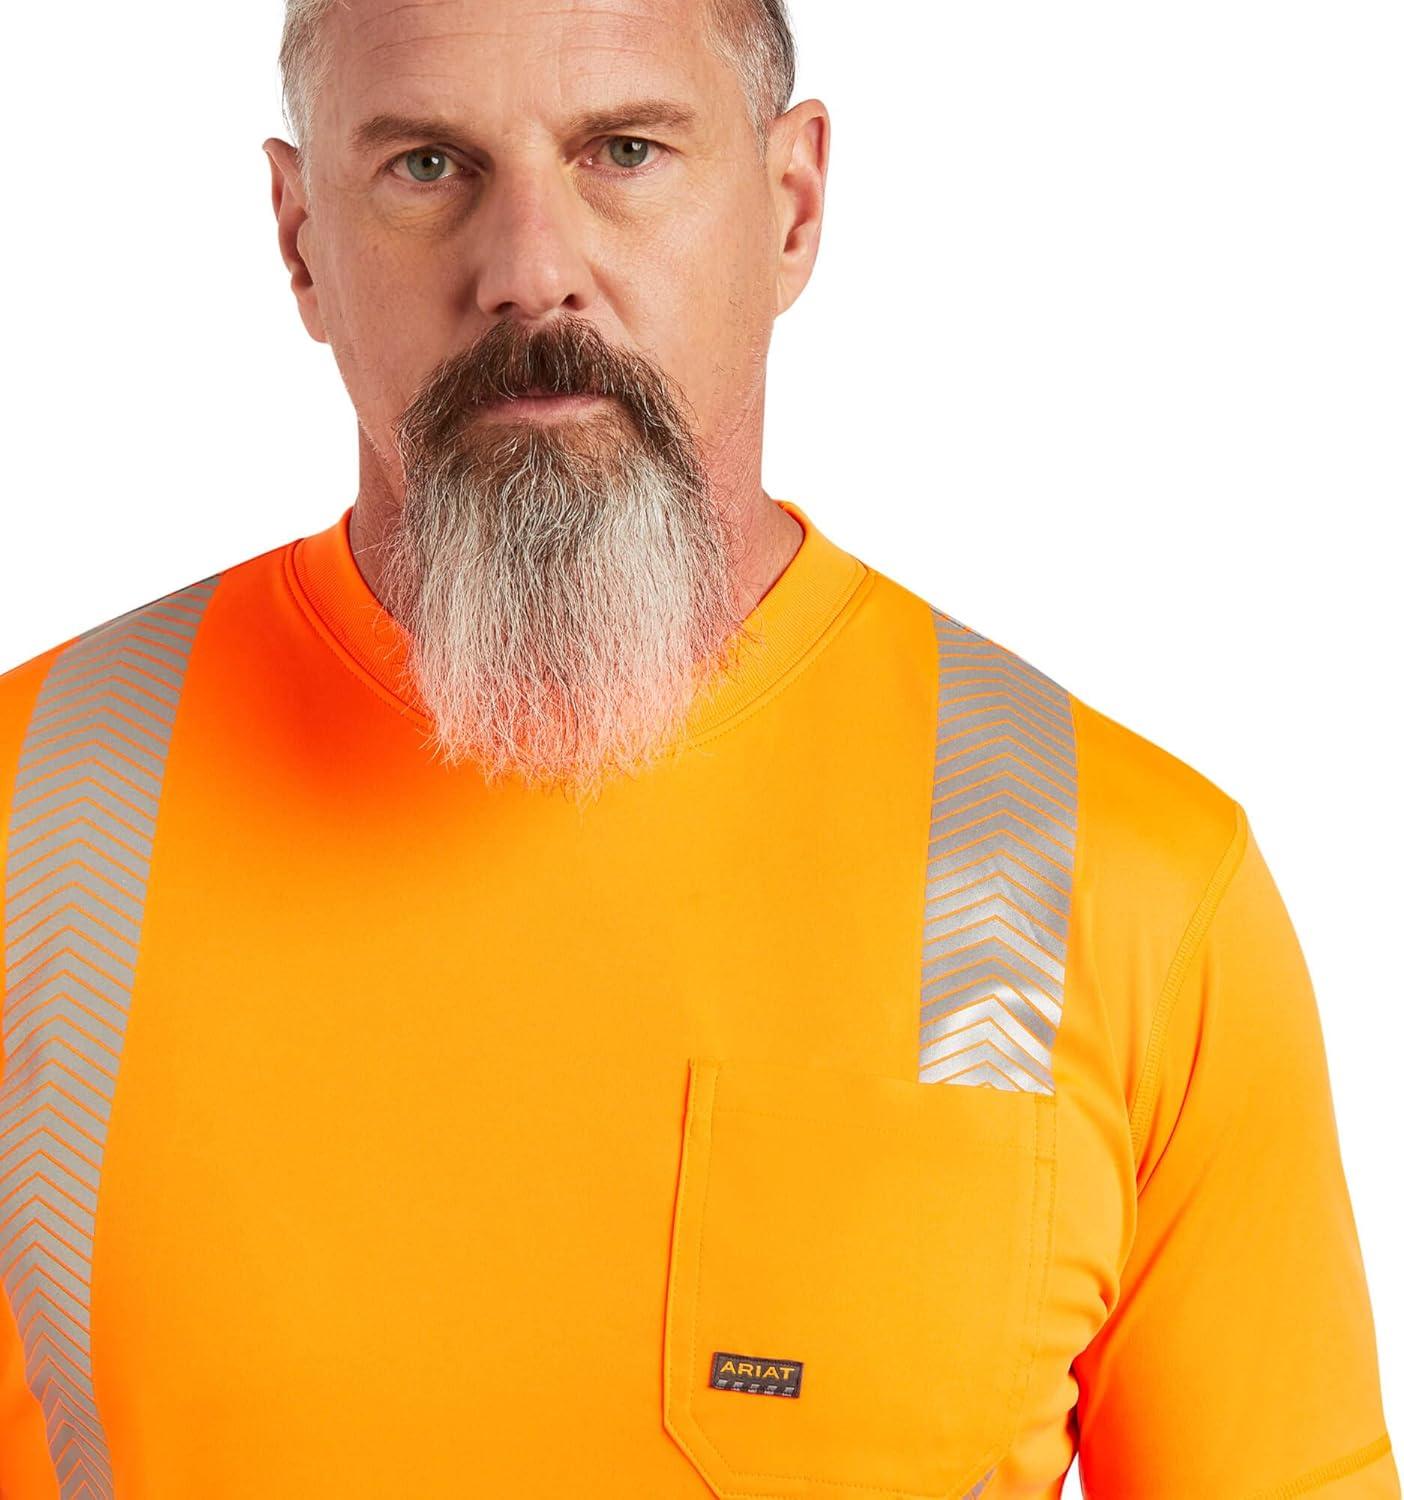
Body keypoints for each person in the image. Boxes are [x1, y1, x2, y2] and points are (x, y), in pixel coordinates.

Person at [0, 1, 1395, 1495]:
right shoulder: (37, 813)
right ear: (298, 238)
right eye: (426, 164)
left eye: (623, 152)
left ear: (792, 206)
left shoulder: (1122, 881)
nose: (530, 266)